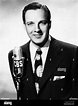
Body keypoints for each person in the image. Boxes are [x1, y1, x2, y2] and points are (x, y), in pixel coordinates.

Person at [8, 2, 78, 100]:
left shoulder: (72, 53)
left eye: (42, 23)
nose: (37, 29)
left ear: (49, 24)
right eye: (30, 23)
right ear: (24, 26)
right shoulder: (15, 55)